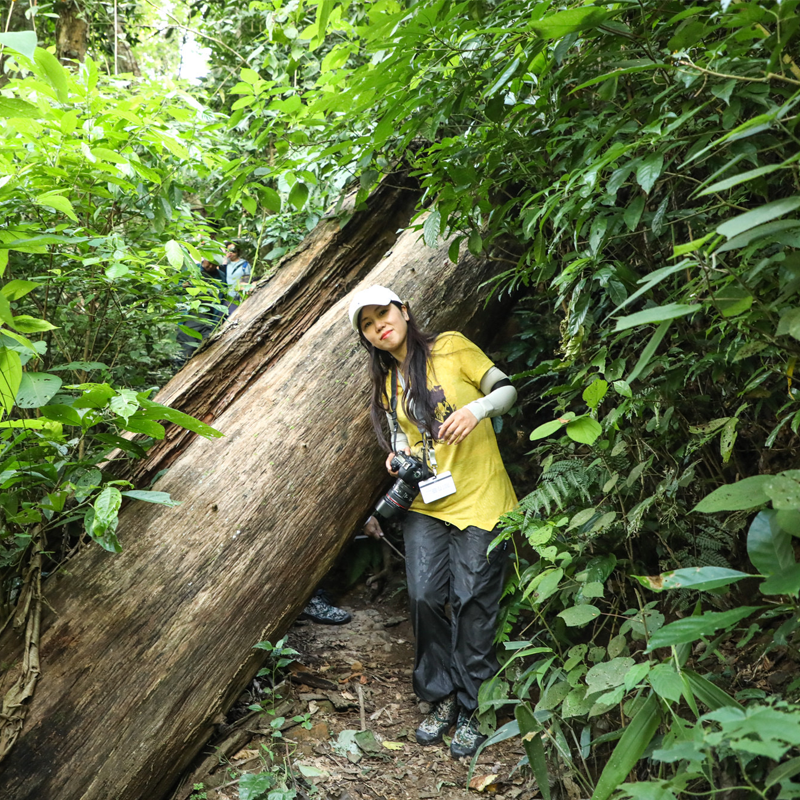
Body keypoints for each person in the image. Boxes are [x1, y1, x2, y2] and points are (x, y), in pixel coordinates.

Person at [347, 285, 518, 759]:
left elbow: (506, 389)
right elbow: (406, 438)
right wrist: (398, 458)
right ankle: (440, 696)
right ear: (367, 338)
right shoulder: (387, 382)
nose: (379, 325)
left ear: (403, 311)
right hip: (428, 504)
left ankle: (472, 707)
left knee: (473, 602)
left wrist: (474, 409)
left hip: (481, 498)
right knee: (424, 597)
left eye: (383, 313)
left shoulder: (452, 346)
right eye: (368, 324)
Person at [223, 241, 251, 315]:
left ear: (238, 252)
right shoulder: (224, 264)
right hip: (225, 297)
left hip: (238, 297)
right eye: (229, 251)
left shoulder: (244, 264)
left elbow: (247, 280)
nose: (231, 253)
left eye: (233, 251)